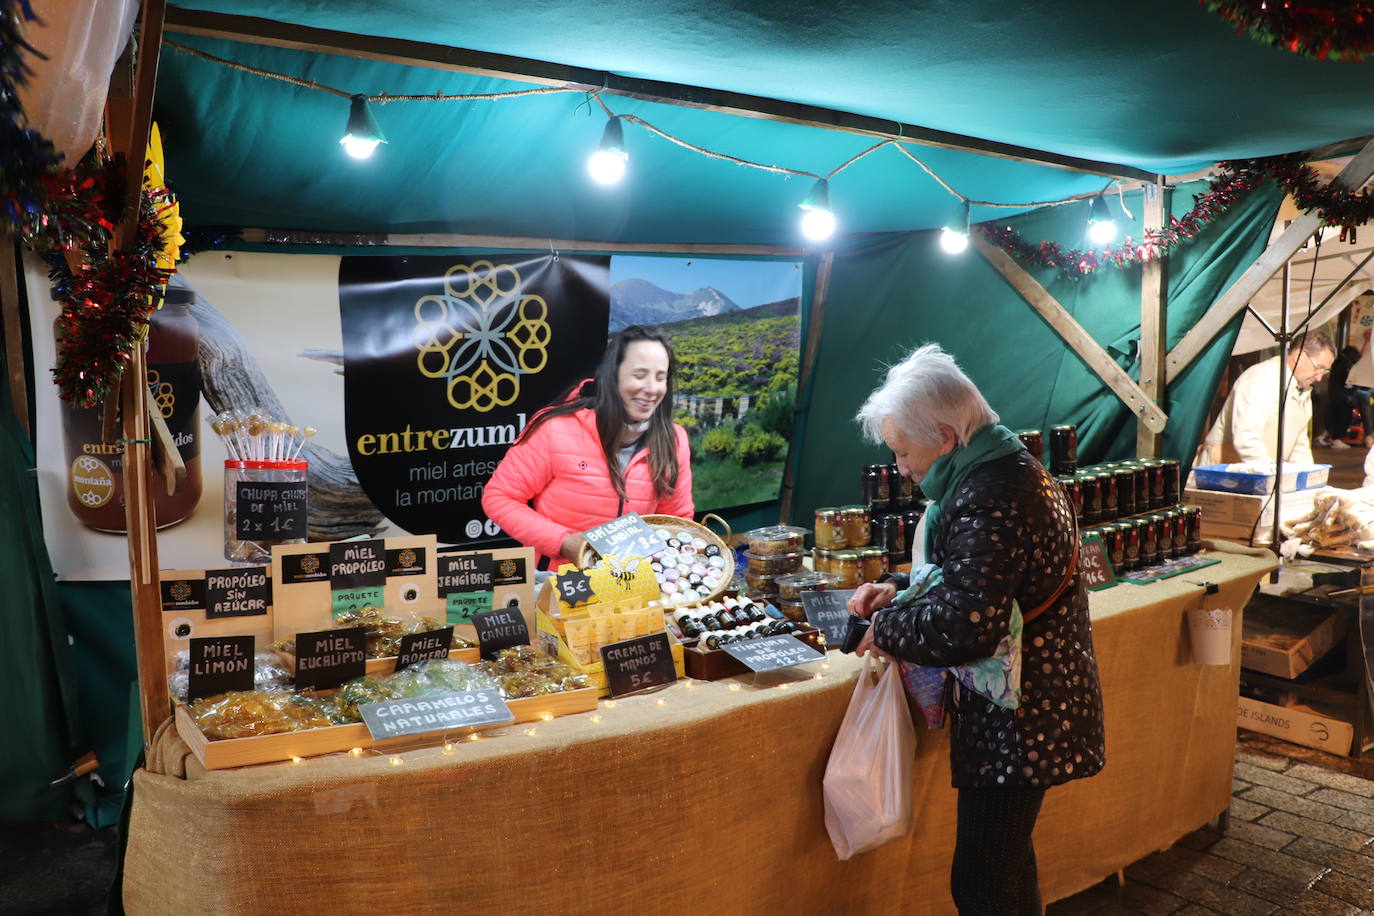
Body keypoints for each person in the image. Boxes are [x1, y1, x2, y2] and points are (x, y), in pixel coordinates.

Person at [846, 343, 1105, 915]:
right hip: (1029, 712)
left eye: (903, 451)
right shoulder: (999, 471)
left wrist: (886, 627)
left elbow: (969, 627)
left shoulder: (993, 495)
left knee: (984, 884)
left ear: (944, 435)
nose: (901, 469)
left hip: (1021, 719)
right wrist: (903, 588)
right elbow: (978, 579)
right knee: (1007, 870)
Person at [482, 325, 693, 569]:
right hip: (560, 583)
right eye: (639, 375)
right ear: (612, 377)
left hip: (634, 586)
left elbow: (675, 522)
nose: (652, 389)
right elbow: (500, 497)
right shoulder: (555, 428)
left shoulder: (673, 440)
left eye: (660, 377)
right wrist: (564, 543)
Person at [1196, 331, 1335, 466]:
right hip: (1225, 469)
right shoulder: (1260, 378)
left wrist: (1305, 477)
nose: (1319, 377)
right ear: (1299, 355)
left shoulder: (1302, 389)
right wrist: (1271, 475)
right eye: (1318, 368)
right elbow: (1246, 438)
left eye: (1324, 372)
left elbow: (1299, 443)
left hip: (1264, 471)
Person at [1316, 341, 1371, 448]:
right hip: (1343, 398)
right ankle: (1336, 439)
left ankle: (1327, 438)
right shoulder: (1345, 364)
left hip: (1334, 396)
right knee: (1344, 417)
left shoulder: (1338, 362)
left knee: (1333, 419)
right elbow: (1349, 381)